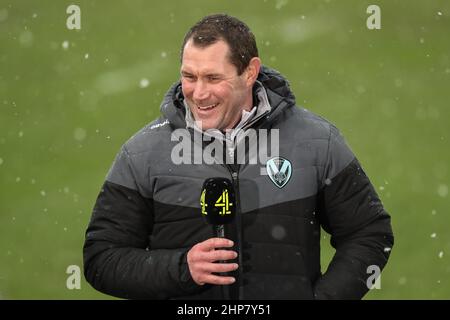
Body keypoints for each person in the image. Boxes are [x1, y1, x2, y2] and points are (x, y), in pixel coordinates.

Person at [83, 13, 394, 300]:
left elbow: (369, 233)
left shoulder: (316, 141)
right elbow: (101, 259)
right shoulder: (143, 153)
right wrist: (181, 267)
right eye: (189, 76)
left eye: (213, 78)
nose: (198, 93)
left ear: (250, 73)